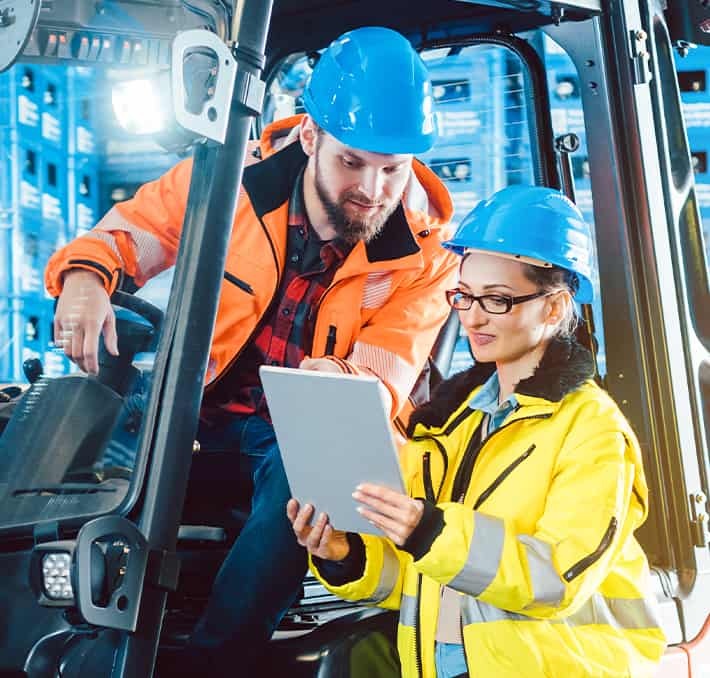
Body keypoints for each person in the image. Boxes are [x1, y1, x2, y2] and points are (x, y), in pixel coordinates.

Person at [44, 27, 458, 672]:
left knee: (308, 477)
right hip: (192, 403)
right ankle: (67, 622)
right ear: (312, 137)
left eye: (391, 169)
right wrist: (83, 280)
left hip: (297, 431)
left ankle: (215, 661)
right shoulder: (225, 181)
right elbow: (135, 231)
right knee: (66, 419)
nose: (373, 189)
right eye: (353, 162)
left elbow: (386, 376)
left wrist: (336, 378)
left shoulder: (427, 258)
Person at [289, 185, 667, 678]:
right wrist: (344, 554)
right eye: (464, 296)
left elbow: (555, 578)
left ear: (554, 307)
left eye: (497, 300)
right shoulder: (453, 426)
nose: (472, 316)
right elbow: (428, 578)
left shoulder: (592, 433)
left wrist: (429, 528)